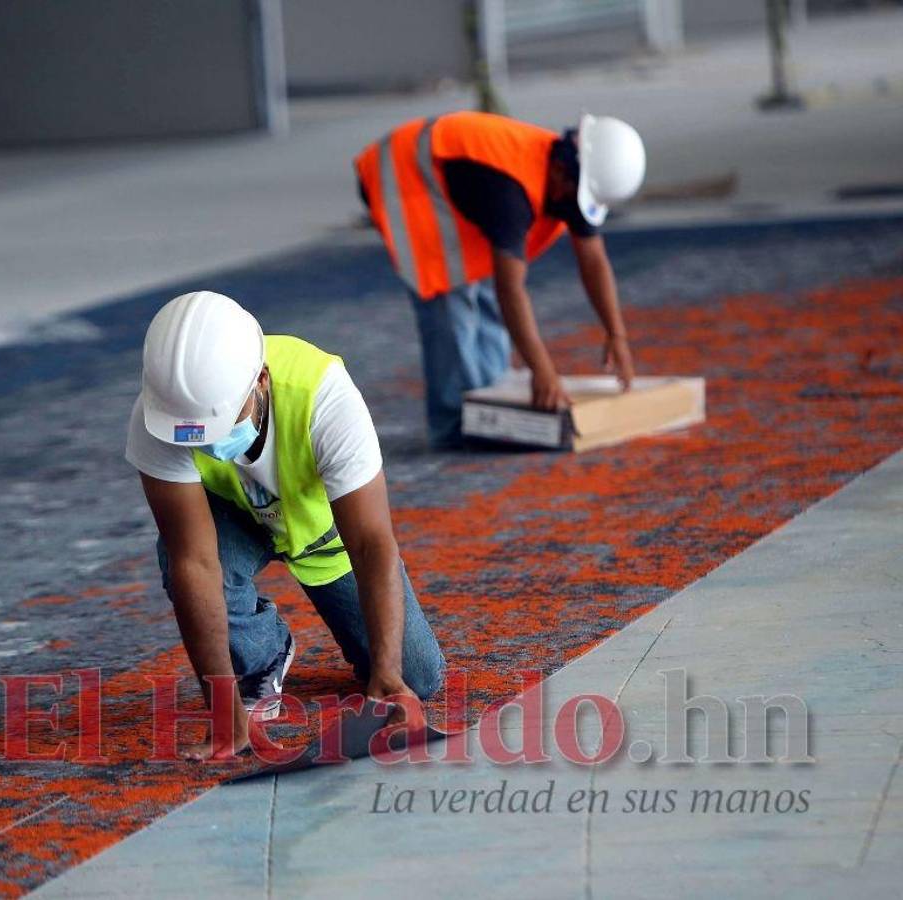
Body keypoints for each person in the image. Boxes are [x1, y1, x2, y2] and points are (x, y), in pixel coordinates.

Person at [125, 290, 445, 759]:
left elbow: (372, 541)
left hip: (319, 531)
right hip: (233, 522)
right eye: (196, 432)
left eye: (218, 425)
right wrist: (223, 711)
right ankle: (264, 652)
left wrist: (389, 672)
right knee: (184, 564)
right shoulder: (164, 418)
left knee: (419, 677)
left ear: (261, 381)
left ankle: (388, 669)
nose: (206, 441)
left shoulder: (324, 395)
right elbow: (194, 562)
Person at [355, 111, 647, 449]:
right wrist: (542, 371)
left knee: (482, 285)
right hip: (405, 174)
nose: (575, 210)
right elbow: (510, 289)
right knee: (449, 300)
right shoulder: (512, 194)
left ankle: (491, 398)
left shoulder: (567, 178)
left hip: (449, 174)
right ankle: (456, 426)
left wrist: (617, 334)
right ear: (564, 172)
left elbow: (593, 258)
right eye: (575, 196)